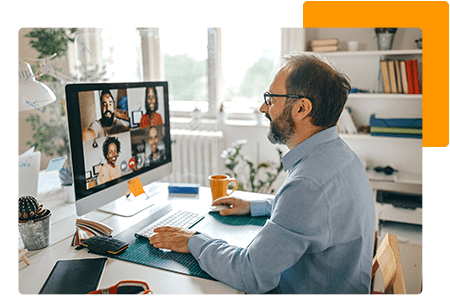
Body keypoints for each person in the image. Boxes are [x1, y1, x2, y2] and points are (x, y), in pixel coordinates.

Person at [148, 53, 376, 295]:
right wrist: (255, 206)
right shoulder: (341, 156)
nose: (263, 108)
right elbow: (312, 214)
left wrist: (194, 240)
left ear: (301, 108)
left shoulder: (308, 184)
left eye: (271, 99)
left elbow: (251, 274)